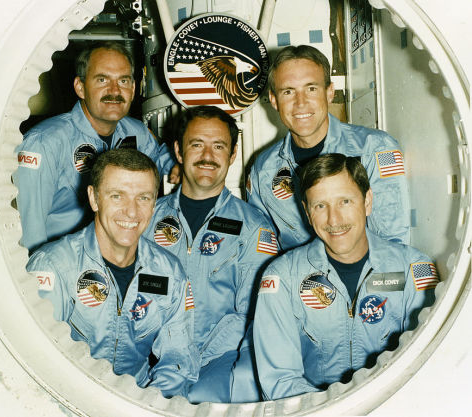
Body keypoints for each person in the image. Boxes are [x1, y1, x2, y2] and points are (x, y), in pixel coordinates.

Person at [253, 153, 438, 400]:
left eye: (345, 202)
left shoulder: (415, 268)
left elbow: (427, 366)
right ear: (307, 214)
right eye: (320, 206)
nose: (334, 219)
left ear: (367, 201)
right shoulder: (282, 278)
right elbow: (280, 381)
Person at [26, 149, 198, 398]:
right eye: (117, 196)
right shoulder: (53, 267)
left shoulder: (169, 273)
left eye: (144, 198)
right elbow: (39, 364)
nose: (131, 211)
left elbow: (178, 360)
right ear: (94, 198)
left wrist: (149, 405)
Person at [144, 105, 278, 403]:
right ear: (178, 151)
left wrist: (197, 360)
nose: (207, 156)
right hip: (151, 361)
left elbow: (253, 314)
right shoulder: (146, 218)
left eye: (219, 146)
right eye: (197, 144)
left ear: (232, 155)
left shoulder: (254, 229)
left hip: (217, 365)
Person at [14, 41, 179, 252]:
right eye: (102, 80)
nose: (114, 90)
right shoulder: (45, 142)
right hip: (65, 262)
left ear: (133, 88)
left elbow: (161, 159)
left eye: (123, 80)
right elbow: (31, 233)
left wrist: (176, 166)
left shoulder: (137, 132)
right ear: (80, 87)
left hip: (121, 255)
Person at [247, 44, 410, 251]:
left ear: (330, 92)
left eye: (311, 89)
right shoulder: (264, 168)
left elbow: (392, 243)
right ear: (274, 100)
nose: (300, 103)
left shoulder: (374, 149)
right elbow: (262, 249)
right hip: (297, 280)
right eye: (288, 92)